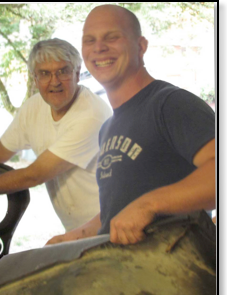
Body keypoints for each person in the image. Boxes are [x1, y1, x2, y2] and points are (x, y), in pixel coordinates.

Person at [46, 4, 215, 245]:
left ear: (141, 46)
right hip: (123, 272)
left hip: (175, 273)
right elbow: (118, 212)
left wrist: (149, 204)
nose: (99, 48)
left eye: (112, 37)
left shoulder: (171, 104)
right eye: (89, 40)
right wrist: (72, 237)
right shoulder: (108, 129)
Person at [0, 38, 112, 233]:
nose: (54, 81)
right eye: (45, 73)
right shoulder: (34, 107)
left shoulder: (92, 115)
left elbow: (35, 175)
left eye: (63, 71)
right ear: (35, 78)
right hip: (79, 228)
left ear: (77, 73)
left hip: (112, 226)